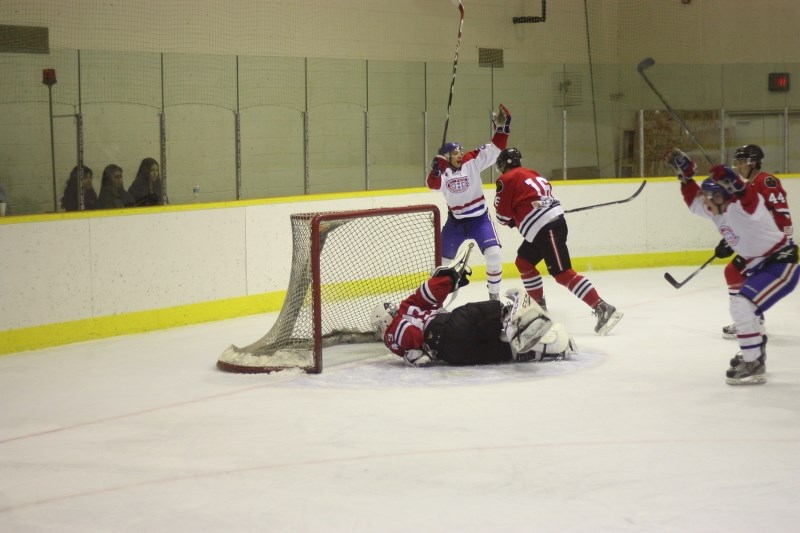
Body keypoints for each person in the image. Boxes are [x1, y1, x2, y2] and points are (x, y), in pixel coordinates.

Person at [676, 163, 798, 385]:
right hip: (760, 265)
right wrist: (685, 179)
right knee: (745, 305)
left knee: (742, 305)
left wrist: (734, 180)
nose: (705, 201)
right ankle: (755, 353)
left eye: (709, 196)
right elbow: (694, 203)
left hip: (781, 265)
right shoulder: (716, 209)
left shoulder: (744, 208)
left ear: (721, 196)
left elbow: (749, 197)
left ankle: (753, 363)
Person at [492, 147, 623, 336]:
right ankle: (539, 309)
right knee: (524, 262)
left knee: (562, 273)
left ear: (503, 165)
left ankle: (602, 307)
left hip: (546, 228)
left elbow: (502, 216)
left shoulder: (505, 180)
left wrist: (513, 219)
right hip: (544, 227)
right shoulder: (533, 173)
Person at [666, 145, 793, 339]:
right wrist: (731, 239)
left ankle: (749, 320)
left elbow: (780, 213)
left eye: (743, 162)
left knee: (734, 272)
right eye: (738, 162)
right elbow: (734, 217)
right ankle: (748, 319)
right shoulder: (742, 184)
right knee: (733, 271)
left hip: (772, 248)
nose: (739, 166)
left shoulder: (765, 181)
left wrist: (784, 244)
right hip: (758, 245)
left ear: (754, 162)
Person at [370, 262, 575, 367]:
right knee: (486, 311)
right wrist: (449, 279)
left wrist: (451, 282)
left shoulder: (398, 341)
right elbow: (427, 295)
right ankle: (511, 320)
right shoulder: (400, 320)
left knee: (498, 350)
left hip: (453, 355)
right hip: (448, 326)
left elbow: (413, 339)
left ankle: (539, 351)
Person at [426, 104, 511, 301]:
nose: (460, 154)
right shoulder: (442, 170)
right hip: (455, 224)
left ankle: (494, 299)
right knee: (439, 264)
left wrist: (502, 128)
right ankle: (432, 302)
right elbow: (432, 185)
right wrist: (436, 170)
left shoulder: (471, 160)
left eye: (460, 151)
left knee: (494, 255)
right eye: (455, 153)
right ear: (447, 157)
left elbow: (496, 148)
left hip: (479, 220)